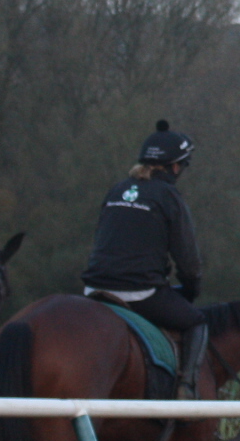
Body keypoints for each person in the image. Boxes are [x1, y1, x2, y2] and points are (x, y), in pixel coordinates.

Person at [81, 119, 206, 398]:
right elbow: (188, 259)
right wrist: (192, 287)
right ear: (175, 166)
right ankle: (186, 390)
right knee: (197, 322)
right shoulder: (169, 196)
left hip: (93, 289)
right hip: (139, 293)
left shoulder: (116, 189)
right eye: (183, 166)